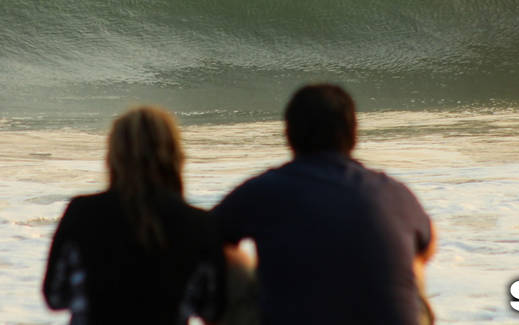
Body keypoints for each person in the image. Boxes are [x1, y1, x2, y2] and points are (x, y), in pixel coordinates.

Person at [212, 83, 436, 325]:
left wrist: (248, 266)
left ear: (288, 134)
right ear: (354, 134)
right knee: (413, 262)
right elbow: (429, 243)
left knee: (222, 254)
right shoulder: (394, 192)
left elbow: (203, 237)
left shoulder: (265, 190)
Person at [43, 106, 225, 325]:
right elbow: (212, 308)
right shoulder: (198, 224)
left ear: (114, 155)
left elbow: (54, 297)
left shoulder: (83, 212)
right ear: (174, 154)